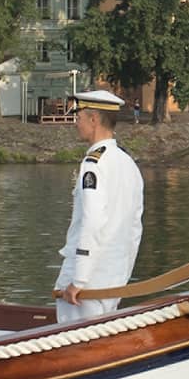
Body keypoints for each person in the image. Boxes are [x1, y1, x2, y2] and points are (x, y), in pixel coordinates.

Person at [54, 87, 144, 325]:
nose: (76, 123)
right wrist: (123, 275)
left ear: (93, 120)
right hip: (113, 277)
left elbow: (92, 222)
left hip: (88, 282)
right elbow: (134, 229)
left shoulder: (93, 165)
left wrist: (79, 280)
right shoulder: (128, 164)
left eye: (79, 117)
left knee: (74, 345)